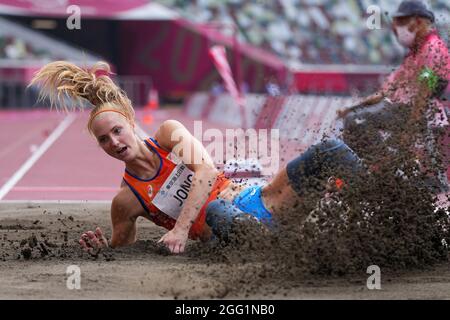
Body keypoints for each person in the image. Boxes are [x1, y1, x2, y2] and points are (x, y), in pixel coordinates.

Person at [30, 60, 362, 255]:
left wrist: (181, 228)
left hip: (259, 198)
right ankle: (290, 250)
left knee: (329, 151)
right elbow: (125, 248)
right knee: (217, 210)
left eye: (117, 131)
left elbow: (205, 170)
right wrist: (102, 249)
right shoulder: (126, 200)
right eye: (104, 140)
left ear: (130, 123)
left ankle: (387, 210)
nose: (114, 142)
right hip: (230, 230)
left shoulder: (168, 134)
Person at [337, 0, 449, 191]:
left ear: (421, 22)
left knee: (358, 121)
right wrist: (351, 108)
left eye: (404, 22)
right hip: (401, 109)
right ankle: (372, 174)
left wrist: (408, 131)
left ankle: (387, 173)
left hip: (423, 113)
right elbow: (384, 92)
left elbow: (426, 93)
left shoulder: (433, 49)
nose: (398, 29)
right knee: (353, 119)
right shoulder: (413, 55)